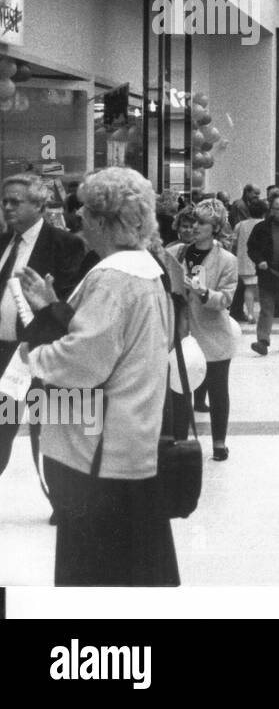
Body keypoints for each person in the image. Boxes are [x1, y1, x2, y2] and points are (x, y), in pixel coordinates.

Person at [18, 167, 178, 586]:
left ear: (106, 220)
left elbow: (84, 363)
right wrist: (56, 308)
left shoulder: (111, 278)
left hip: (93, 448)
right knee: (137, 562)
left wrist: (31, 357)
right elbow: (115, 343)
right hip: (131, 437)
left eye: (86, 211)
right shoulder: (146, 270)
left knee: (92, 569)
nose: (79, 219)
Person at [0, 173, 94, 510]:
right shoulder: (3, 243)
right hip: (7, 356)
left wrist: (49, 299)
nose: (8, 207)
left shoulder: (65, 245)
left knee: (51, 429)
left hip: (47, 354)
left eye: (16, 201)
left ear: (39, 204)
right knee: (2, 423)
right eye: (5, 200)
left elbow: (70, 301)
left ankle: (64, 503)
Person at [172, 198, 239, 462]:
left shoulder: (227, 260)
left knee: (217, 389)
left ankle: (219, 443)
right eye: (192, 222)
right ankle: (178, 441)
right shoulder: (177, 252)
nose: (194, 227)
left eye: (201, 223)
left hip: (213, 333)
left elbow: (226, 299)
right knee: (179, 390)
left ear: (215, 227)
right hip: (181, 332)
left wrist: (203, 292)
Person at [246, 195, 279, 356]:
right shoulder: (261, 228)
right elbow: (251, 247)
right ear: (272, 211)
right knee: (266, 309)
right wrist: (259, 260)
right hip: (267, 275)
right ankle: (263, 341)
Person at [231, 196, 265, 324]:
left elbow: (233, 243)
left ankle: (250, 314)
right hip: (262, 261)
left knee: (249, 288)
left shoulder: (240, 225)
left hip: (243, 261)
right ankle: (263, 313)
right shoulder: (265, 224)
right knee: (263, 290)